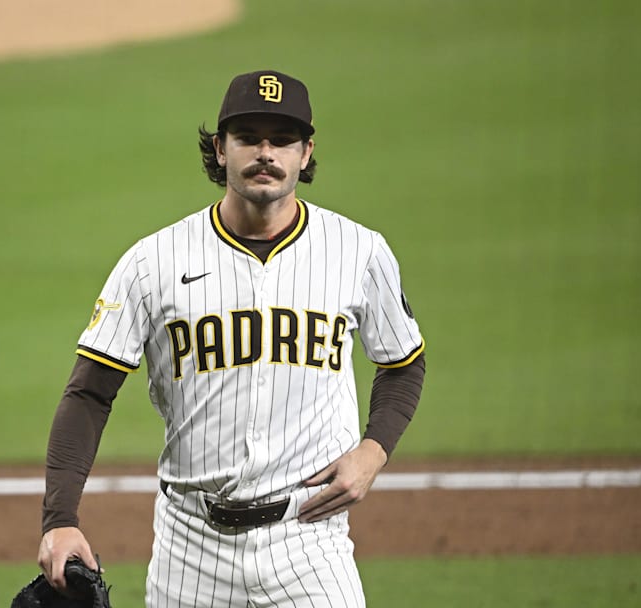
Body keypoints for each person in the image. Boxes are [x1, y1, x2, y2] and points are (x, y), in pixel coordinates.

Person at [37, 69, 426, 607]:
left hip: (310, 545)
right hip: (189, 550)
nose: (266, 153)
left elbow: (403, 361)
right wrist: (59, 520)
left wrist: (373, 450)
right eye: (248, 138)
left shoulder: (358, 252)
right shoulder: (154, 262)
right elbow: (89, 393)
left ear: (306, 152)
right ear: (220, 148)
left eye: (283, 139)